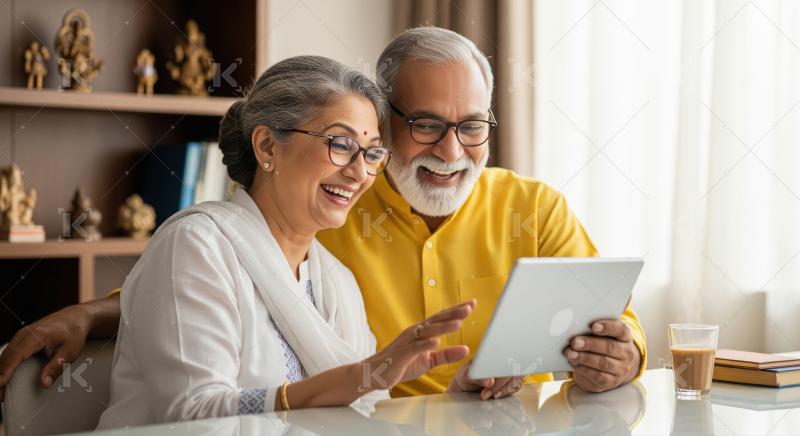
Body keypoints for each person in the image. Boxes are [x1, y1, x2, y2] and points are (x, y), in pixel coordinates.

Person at [0, 27, 646, 404]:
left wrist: (628, 354)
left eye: (471, 127)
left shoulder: (328, 260)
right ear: (388, 120)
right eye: (424, 125)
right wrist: (89, 311)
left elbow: (616, 324)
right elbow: (197, 287)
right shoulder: (315, 220)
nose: (452, 152)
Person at [92, 55, 474, 427]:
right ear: (267, 147)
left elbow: (368, 414)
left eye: (372, 153)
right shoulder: (196, 245)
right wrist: (341, 383)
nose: (360, 173)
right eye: (340, 145)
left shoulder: (337, 281)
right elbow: (193, 415)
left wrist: (457, 405)